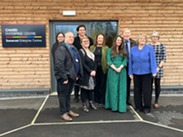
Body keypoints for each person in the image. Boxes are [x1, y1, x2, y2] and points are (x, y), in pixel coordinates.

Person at [54, 32, 83, 121]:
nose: (71, 38)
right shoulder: (61, 48)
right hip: (65, 77)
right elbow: (59, 64)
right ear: (65, 38)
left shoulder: (73, 48)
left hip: (72, 77)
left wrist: (77, 74)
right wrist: (64, 77)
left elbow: (77, 62)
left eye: (73, 37)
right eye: (69, 37)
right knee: (63, 95)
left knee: (68, 95)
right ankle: (63, 113)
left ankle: (68, 110)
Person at [129, 33, 157, 114]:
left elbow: (152, 60)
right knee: (137, 91)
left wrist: (154, 71)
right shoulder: (133, 49)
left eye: (144, 39)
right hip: (136, 73)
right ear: (138, 40)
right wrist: (130, 72)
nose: (142, 40)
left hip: (147, 73)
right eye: (141, 39)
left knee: (146, 91)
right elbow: (130, 61)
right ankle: (138, 106)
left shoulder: (149, 48)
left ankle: (147, 107)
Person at [105, 35, 127, 112]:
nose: (119, 41)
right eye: (118, 40)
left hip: (122, 71)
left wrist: (120, 67)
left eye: (120, 40)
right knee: (113, 88)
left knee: (121, 88)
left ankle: (121, 107)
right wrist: (115, 68)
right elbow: (108, 60)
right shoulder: (110, 50)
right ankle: (113, 106)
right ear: (115, 41)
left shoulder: (123, 50)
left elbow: (125, 60)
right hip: (112, 70)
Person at [73, 24, 94, 102]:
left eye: (83, 30)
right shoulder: (75, 40)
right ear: (78, 31)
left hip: (87, 61)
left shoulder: (90, 39)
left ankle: (88, 97)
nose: (82, 31)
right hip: (77, 61)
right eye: (80, 30)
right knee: (78, 80)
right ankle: (76, 95)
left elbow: (91, 49)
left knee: (86, 81)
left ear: (85, 31)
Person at [79, 36, 97, 112]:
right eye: (84, 41)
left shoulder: (91, 51)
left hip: (92, 75)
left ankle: (90, 103)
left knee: (91, 90)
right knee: (84, 90)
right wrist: (90, 71)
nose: (86, 43)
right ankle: (84, 104)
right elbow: (82, 64)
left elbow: (95, 63)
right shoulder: (81, 51)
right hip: (85, 74)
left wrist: (95, 70)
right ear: (81, 43)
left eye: (87, 41)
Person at [90, 33, 109, 105]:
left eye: (101, 38)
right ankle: (96, 99)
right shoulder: (92, 47)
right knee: (95, 84)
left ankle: (102, 99)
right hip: (94, 68)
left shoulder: (106, 48)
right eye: (99, 38)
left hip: (103, 68)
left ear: (103, 39)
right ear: (96, 39)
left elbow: (108, 58)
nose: (100, 39)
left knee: (103, 84)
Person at [149, 31, 166, 109]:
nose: (154, 38)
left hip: (158, 68)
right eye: (153, 36)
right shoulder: (148, 46)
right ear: (151, 37)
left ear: (158, 38)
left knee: (157, 84)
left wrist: (158, 68)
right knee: (149, 85)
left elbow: (164, 58)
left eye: (156, 37)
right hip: (149, 68)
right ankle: (148, 100)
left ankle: (156, 101)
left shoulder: (162, 46)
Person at [121, 28, 137, 106]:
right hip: (121, 66)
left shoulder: (134, 43)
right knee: (122, 83)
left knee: (128, 83)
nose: (127, 34)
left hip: (131, 66)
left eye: (128, 33)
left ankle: (127, 99)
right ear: (122, 34)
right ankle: (121, 98)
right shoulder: (120, 42)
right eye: (125, 33)